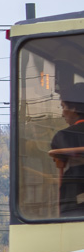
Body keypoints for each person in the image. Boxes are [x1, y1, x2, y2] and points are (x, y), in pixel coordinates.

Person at [50, 86, 84, 216]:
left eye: (63, 106)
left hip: (73, 198)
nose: (62, 113)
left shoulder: (63, 137)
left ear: (74, 108)